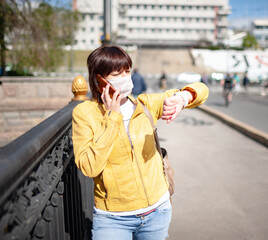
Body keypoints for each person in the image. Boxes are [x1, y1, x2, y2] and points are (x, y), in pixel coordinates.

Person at [72, 45, 209, 240]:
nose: (125, 77)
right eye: (117, 73)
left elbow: (202, 89)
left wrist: (182, 98)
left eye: (127, 71)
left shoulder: (144, 105)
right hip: (113, 219)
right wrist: (112, 117)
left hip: (157, 212)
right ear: (100, 79)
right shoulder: (85, 113)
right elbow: (88, 167)